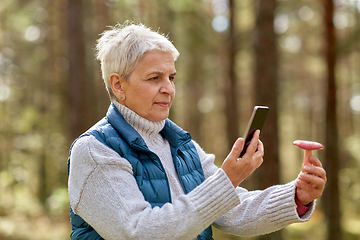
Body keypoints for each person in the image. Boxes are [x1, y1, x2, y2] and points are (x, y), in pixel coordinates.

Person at [67, 22, 327, 240]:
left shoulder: (181, 145)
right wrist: (228, 180)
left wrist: (296, 196)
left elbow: (234, 211)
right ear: (118, 85)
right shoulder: (94, 151)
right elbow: (141, 232)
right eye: (154, 78)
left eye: (171, 77)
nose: (168, 88)